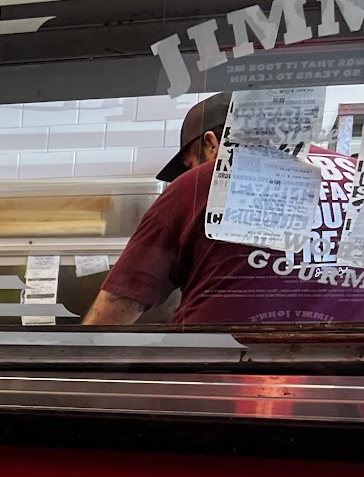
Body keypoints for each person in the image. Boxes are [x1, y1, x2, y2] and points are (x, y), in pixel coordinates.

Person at [85, 92, 364, 327]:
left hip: (223, 363)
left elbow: (119, 305)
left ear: (211, 143)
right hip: (346, 364)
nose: (191, 172)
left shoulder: (198, 182)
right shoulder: (356, 174)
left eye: (190, 163)